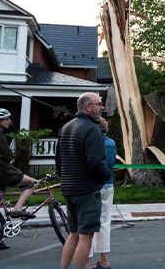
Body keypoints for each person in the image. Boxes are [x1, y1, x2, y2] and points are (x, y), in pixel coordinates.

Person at [56, 92, 111, 269]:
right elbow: (96, 162)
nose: (102, 107)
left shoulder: (66, 127)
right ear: (88, 107)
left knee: (73, 233)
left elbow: (58, 160)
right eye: (99, 104)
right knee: (86, 236)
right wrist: (105, 175)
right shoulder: (91, 128)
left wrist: (64, 178)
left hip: (69, 188)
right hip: (87, 190)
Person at [0, 108, 38, 250]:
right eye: (7, 119)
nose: (9, 121)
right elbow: (9, 156)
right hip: (2, 173)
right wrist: (6, 156)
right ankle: (17, 209)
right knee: (33, 183)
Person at [87, 117, 116, 269]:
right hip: (108, 184)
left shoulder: (91, 143)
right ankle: (104, 260)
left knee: (88, 223)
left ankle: (88, 260)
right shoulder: (111, 143)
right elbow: (111, 164)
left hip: (92, 185)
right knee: (105, 222)